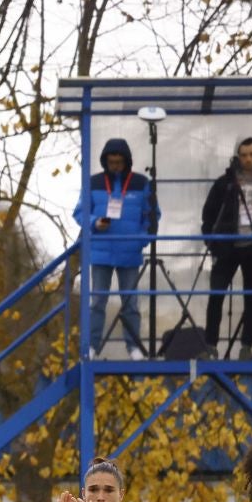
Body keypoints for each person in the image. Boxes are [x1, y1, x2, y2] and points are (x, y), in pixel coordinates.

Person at [74, 136, 158, 360]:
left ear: (126, 161)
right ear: (105, 161)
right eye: (111, 162)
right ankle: (92, 347)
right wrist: (94, 222)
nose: (115, 166)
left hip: (129, 253)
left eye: (119, 162)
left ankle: (134, 347)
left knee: (131, 303)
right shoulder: (93, 182)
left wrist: (140, 240)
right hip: (101, 253)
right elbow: (80, 212)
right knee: (98, 302)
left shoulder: (141, 183)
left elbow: (152, 216)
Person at [202, 137, 252, 360]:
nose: (248, 159)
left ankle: (246, 347)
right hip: (227, 247)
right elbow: (208, 214)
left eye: (251, 154)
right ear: (237, 156)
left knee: (251, 297)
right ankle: (210, 345)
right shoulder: (225, 183)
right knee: (216, 295)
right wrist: (212, 242)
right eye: (244, 155)